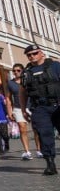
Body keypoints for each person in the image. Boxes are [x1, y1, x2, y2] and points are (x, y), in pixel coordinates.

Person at [20, 44, 60, 175]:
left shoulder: (55, 66)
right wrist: (23, 109)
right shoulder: (26, 72)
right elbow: (23, 92)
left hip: (57, 104)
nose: (32, 56)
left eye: (34, 53)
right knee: (44, 135)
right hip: (39, 108)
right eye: (29, 55)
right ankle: (50, 164)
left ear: (41, 53)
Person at [7, 65, 33, 159]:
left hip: (31, 106)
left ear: (22, 71)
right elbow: (8, 98)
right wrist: (9, 111)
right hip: (18, 108)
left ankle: (39, 149)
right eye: (14, 71)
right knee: (22, 129)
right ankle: (27, 151)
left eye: (18, 70)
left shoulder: (28, 80)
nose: (16, 72)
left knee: (37, 129)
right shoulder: (10, 83)